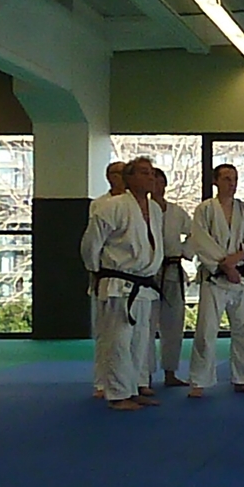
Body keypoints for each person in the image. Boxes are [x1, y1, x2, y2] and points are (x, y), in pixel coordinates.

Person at [80, 157, 164, 412]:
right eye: (144, 172)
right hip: (118, 282)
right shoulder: (111, 207)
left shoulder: (154, 209)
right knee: (118, 341)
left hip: (144, 285)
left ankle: (133, 388)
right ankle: (117, 394)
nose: (150, 177)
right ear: (129, 178)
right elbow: (90, 243)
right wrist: (97, 271)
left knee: (139, 343)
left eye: (152, 173)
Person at [187, 163, 244, 398]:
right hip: (215, 278)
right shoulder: (204, 210)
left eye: (235, 178)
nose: (232, 183)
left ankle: (243, 378)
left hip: (241, 277)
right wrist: (224, 265)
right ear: (216, 181)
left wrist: (236, 259)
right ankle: (199, 381)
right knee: (206, 330)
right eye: (227, 178)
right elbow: (201, 241)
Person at [88, 160, 127, 398]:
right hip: (106, 273)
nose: (118, 177)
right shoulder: (99, 204)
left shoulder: (138, 204)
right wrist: (94, 271)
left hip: (133, 277)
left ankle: (134, 381)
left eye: (122, 173)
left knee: (132, 337)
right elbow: (93, 241)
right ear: (108, 176)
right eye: (114, 173)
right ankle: (101, 383)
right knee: (104, 333)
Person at [151, 167, 192, 388]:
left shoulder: (177, 212)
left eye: (160, 182)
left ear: (165, 185)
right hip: (148, 272)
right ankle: (143, 376)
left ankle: (170, 372)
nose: (157, 186)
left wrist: (185, 251)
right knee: (146, 326)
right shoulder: (141, 210)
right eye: (153, 182)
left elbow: (194, 233)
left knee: (174, 324)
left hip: (173, 269)